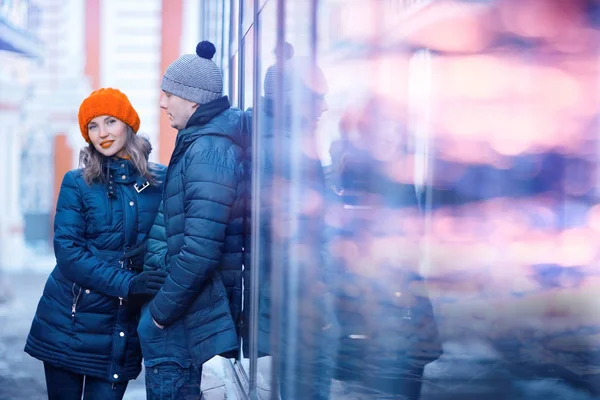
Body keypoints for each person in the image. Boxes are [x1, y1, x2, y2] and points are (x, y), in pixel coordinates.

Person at [24, 88, 168, 400]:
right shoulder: (77, 182)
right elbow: (69, 254)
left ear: (128, 124)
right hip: (68, 324)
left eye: (110, 122)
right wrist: (131, 283)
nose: (102, 133)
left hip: (121, 331)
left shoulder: (160, 182)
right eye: (93, 126)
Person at [137, 40, 247, 400]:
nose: (162, 102)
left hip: (179, 318)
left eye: (169, 94)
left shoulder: (207, 150)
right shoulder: (198, 142)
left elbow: (200, 250)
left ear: (193, 100)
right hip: (180, 313)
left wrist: (159, 314)